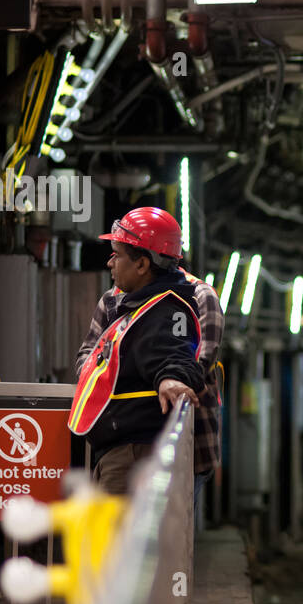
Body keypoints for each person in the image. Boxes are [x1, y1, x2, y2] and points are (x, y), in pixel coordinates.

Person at [74, 214, 223, 507]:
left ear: (142, 263)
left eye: (116, 255)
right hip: (115, 442)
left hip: (176, 445)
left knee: (150, 542)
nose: (109, 262)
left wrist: (131, 369)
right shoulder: (113, 300)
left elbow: (194, 362)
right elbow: (86, 362)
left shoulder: (195, 297)